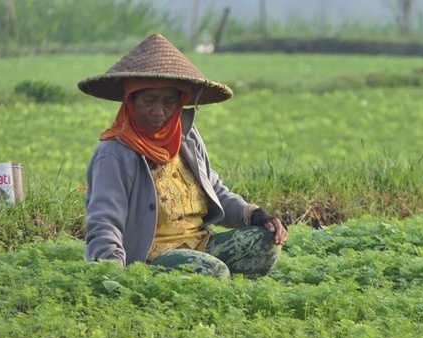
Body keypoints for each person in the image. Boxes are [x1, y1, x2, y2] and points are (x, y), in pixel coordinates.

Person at [78, 33, 288, 279]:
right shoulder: (115, 153)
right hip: (154, 256)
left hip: (201, 244)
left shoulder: (185, 137)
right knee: (214, 272)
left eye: (169, 102)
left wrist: (255, 215)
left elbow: (215, 191)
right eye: (149, 100)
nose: (159, 111)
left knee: (265, 240)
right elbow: (104, 221)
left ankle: (231, 293)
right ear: (130, 101)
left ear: (180, 102)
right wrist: (111, 273)